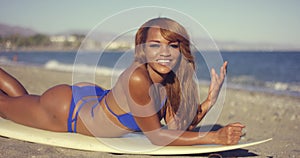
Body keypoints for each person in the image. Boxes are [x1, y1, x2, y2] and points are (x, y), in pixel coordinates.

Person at [0, 17, 245, 146]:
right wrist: (214, 137)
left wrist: (210, 101)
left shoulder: (171, 80)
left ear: (181, 50)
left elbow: (176, 129)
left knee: (20, 100)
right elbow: (157, 137)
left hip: (91, 99)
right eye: (155, 45)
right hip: (67, 112)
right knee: (6, 107)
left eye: (173, 45)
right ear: (142, 48)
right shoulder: (138, 78)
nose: (165, 52)